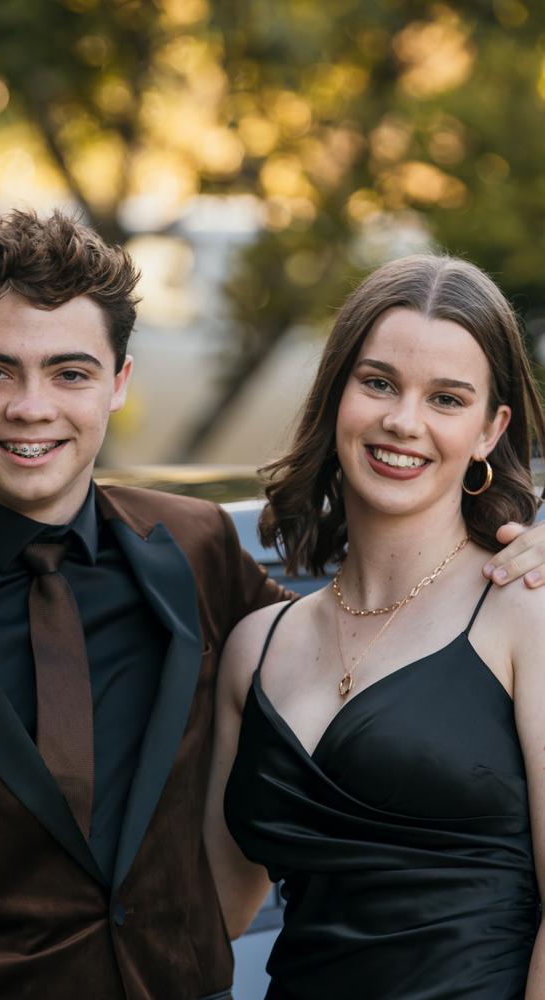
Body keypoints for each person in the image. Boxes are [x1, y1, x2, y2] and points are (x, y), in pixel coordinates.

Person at [0, 207, 293, 1000]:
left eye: (70, 373)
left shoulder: (198, 543)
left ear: (118, 384)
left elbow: (360, 646)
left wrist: (506, 555)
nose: (32, 407)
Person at [204, 253, 545, 999]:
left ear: (491, 430)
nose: (403, 421)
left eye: (447, 399)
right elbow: (215, 915)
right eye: (379, 383)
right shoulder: (255, 651)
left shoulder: (528, 610)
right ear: (336, 397)